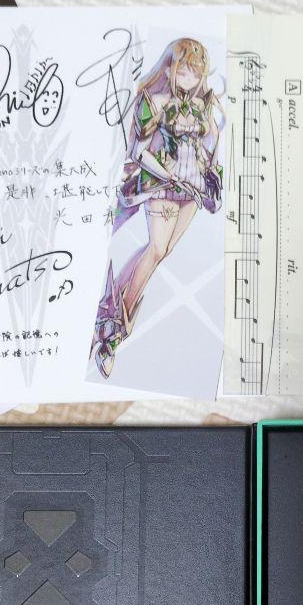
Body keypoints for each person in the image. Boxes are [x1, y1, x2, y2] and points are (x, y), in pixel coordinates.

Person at [90, 37, 222, 377]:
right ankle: (112, 331)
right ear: (169, 68)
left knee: (160, 253)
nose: (190, 79)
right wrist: (168, 174)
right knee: (156, 248)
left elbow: (211, 145)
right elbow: (139, 151)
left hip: (192, 189)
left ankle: (109, 320)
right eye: (184, 71)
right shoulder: (156, 101)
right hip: (163, 185)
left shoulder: (203, 106)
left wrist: (211, 173)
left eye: (196, 73)